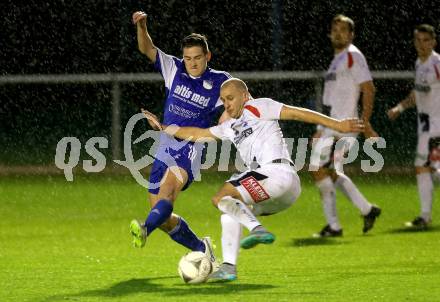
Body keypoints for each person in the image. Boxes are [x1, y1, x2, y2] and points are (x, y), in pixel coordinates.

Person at [142, 78, 364, 280]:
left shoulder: (258, 106)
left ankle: (257, 229)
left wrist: (337, 125)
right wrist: (163, 128)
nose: (226, 104)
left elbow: (297, 113)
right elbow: (198, 134)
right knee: (228, 212)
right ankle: (229, 268)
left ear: (244, 96)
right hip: (278, 192)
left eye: (230, 98)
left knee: (222, 195)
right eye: (223, 100)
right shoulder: (229, 127)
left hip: (279, 174)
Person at [129, 11, 231, 262]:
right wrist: (141, 26)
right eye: (188, 58)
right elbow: (147, 48)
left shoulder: (221, 82)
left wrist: (226, 122)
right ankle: (201, 249)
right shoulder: (174, 68)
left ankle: (144, 229)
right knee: (161, 213)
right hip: (165, 145)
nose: (192, 63)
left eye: (197, 58)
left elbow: (238, 101)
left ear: (208, 56)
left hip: (190, 147)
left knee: (167, 193)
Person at [310, 14, 381, 238]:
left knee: (321, 170)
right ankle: (368, 210)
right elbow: (331, 101)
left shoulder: (352, 56)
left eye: (343, 30)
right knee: (325, 171)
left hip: (345, 127)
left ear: (351, 35)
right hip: (332, 127)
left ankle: (335, 226)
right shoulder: (336, 60)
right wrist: (321, 127)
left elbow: (368, 88)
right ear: (330, 33)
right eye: (335, 29)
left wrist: (365, 123)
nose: (338, 33)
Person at [387, 24, 440, 230]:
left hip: (437, 127)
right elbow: (417, 95)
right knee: (425, 169)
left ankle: (425, 216)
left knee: (426, 168)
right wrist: (399, 108)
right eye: (418, 40)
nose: (422, 44)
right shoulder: (420, 63)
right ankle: (425, 216)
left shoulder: (437, 63)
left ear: (433, 42)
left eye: (426, 40)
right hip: (426, 127)